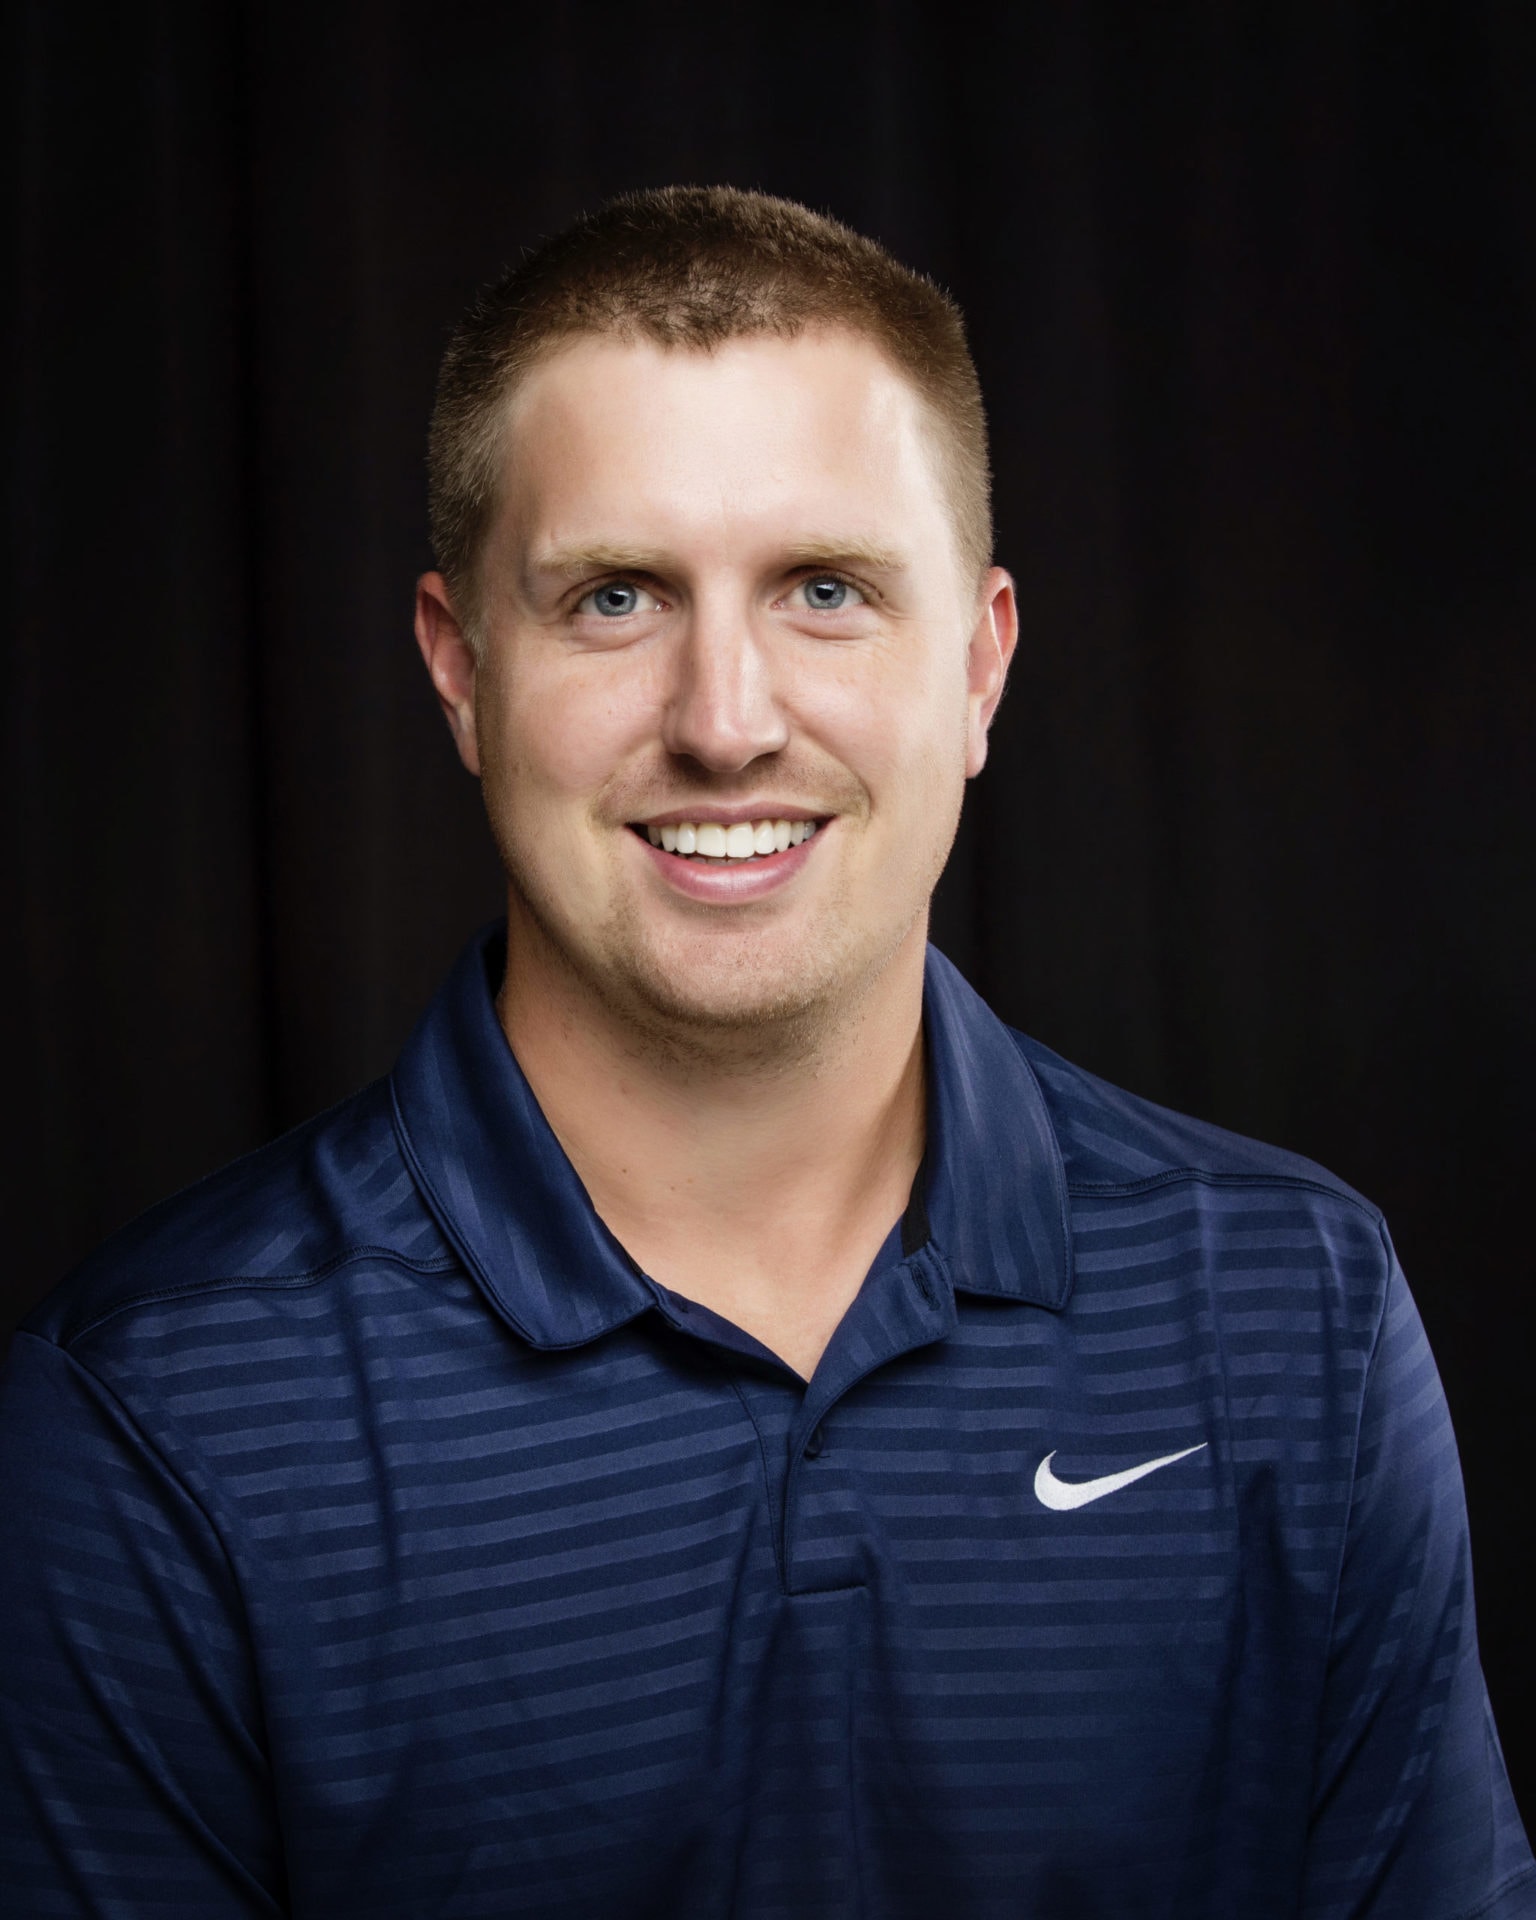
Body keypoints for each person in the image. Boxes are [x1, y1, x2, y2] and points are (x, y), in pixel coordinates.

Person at [0, 186, 1530, 1920]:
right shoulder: (161, 1416)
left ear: (980, 667)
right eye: (615, 598)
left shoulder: (1296, 1316)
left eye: (824, 589)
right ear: (460, 670)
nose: (725, 722)